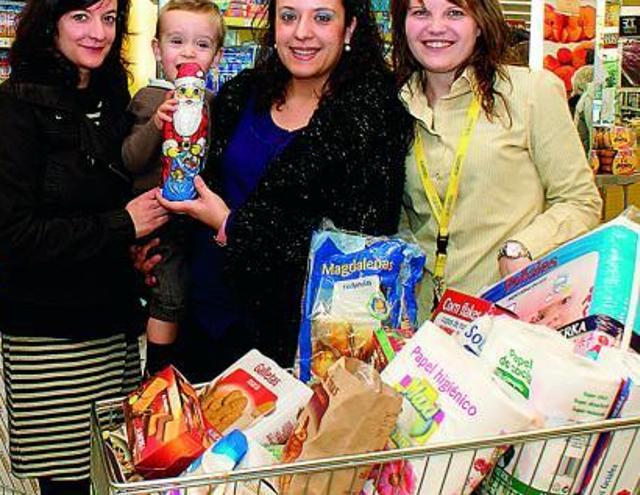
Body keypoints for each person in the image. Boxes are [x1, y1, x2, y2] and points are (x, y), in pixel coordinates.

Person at [153, 0, 414, 381]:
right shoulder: (243, 94)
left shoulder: (372, 118)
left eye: (322, 18)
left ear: (350, 28)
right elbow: (195, 181)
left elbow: (356, 245)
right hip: (205, 319)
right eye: (288, 16)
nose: (301, 32)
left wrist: (230, 226)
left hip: (295, 348)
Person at [0, 0, 168, 491]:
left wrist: (135, 256)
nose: (97, 33)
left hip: (114, 327)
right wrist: (123, 225)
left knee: (117, 472)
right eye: (80, 17)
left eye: (108, 19)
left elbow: (113, 194)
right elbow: (14, 236)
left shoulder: (113, 99)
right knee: (68, 482)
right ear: (49, 22)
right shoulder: (12, 109)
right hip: (51, 335)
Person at [390, 0, 602, 317]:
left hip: (504, 319)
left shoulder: (530, 93)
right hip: (423, 328)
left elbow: (581, 200)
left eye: (454, 12)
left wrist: (522, 247)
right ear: (403, 24)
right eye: (420, 12)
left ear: (479, 23)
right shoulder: (394, 106)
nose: (435, 26)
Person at [121, 0, 224, 374]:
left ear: (217, 55)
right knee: (170, 287)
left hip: (198, 220)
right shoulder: (147, 99)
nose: (187, 52)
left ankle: (177, 362)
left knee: (194, 291)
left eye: (202, 44)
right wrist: (155, 125)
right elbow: (130, 159)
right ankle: (157, 370)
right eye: (176, 41)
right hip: (157, 218)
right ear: (156, 49)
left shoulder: (217, 104)